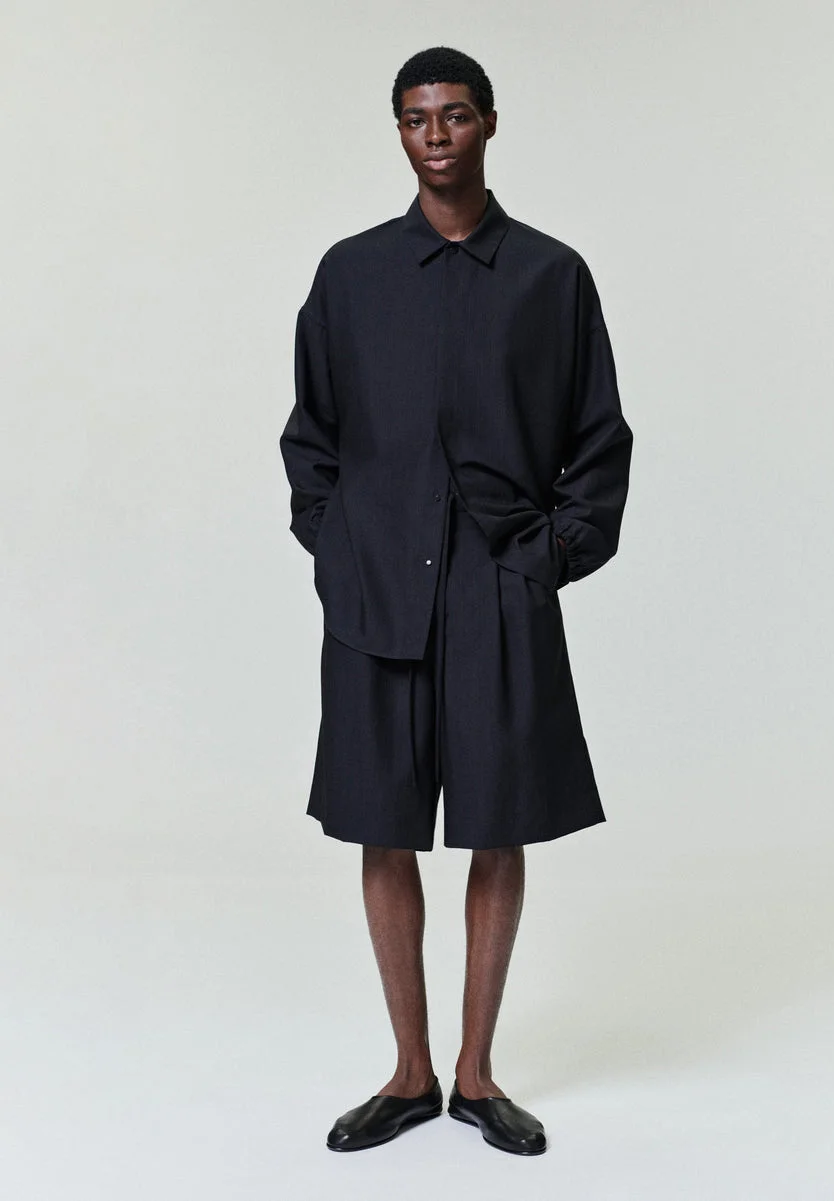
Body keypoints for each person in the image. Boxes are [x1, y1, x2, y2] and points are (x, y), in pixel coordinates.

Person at [279, 45, 633, 1156]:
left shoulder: (551, 276)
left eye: (455, 114)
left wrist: (547, 560)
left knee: (497, 820)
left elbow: (599, 437)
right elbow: (311, 435)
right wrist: (337, 547)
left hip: (498, 584)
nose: (435, 134)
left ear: (489, 123)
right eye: (416, 117)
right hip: (377, 588)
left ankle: (477, 1076)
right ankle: (409, 1072)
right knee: (381, 824)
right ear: (399, 130)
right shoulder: (350, 274)